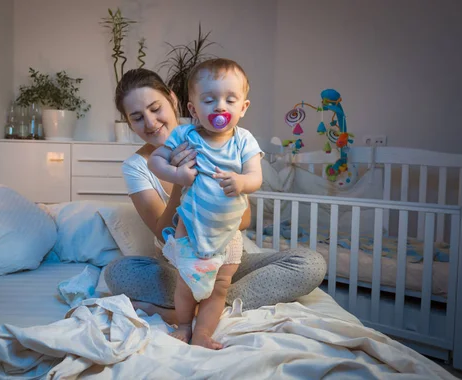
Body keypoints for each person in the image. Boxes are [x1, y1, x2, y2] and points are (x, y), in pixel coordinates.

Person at [105, 66, 327, 349]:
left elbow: (244, 220)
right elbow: (163, 235)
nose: (150, 122)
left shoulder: (227, 139)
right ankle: (206, 304)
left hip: (228, 255)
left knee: (310, 264)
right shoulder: (137, 166)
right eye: (137, 117)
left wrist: (232, 183)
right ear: (129, 123)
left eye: (155, 108)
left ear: (173, 100)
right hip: (180, 263)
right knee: (117, 271)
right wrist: (180, 181)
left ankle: (193, 307)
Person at [147, 58, 263, 347]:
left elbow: (255, 178)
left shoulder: (244, 141)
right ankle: (184, 324)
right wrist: (178, 175)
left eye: (230, 99)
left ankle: (203, 333)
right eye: (209, 100)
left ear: (243, 108)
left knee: (219, 287)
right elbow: (155, 160)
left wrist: (241, 182)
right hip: (190, 229)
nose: (220, 106)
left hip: (228, 237)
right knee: (187, 284)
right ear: (193, 108)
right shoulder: (186, 136)